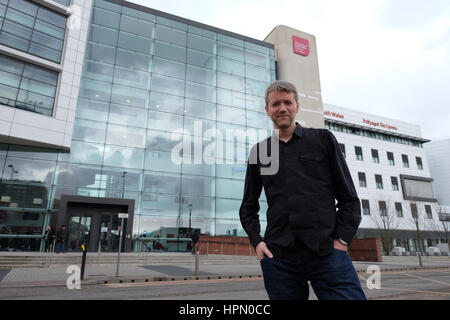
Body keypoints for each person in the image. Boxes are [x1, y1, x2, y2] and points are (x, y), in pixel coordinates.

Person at [239, 80, 366, 300]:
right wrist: (257, 242)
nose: (282, 108)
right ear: (267, 110)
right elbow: (248, 207)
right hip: (279, 257)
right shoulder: (259, 152)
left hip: (327, 252)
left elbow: (349, 198)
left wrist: (341, 241)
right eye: (276, 103)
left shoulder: (323, 140)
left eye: (287, 102)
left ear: (297, 107)